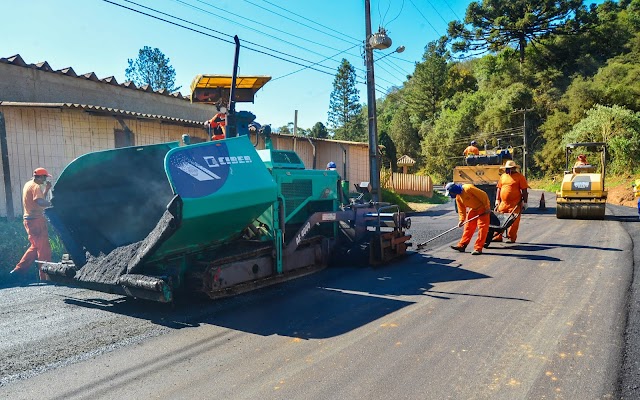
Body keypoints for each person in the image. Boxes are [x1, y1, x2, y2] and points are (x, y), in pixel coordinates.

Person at [11, 168, 53, 279]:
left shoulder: (28, 184)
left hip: (29, 221)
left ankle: (19, 271)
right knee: (44, 249)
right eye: (45, 177)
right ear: (40, 177)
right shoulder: (36, 186)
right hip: (36, 221)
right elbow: (39, 202)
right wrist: (52, 204)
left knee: (35, 247)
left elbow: (38, 200)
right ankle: (45, 277)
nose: (45, 179)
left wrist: (47, 189)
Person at [445, 182, 491, 255]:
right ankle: (462, 245)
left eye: (451, 193)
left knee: (482, 228)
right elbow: (461, 210)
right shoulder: (458, 197)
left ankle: (478, 248)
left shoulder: (468, 188)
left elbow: (483, 195)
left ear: (454, 190)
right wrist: (461, 220)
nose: (451, 195)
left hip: (483, 209)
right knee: (468, 228)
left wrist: (487, 207)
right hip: (473, 210)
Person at [493, 160, 529, 243]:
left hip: (515, 204)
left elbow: (524, 190)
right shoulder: (503, 176)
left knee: (514, 221)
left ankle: (511, 237)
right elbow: (499, 188)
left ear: (513, 168)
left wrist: (525, 202)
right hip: (503, 203)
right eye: (506, 168)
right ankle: (498, 236)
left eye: (509, 168)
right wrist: (497, 199)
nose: (507, 170)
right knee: (499, 219)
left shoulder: (520, 177)